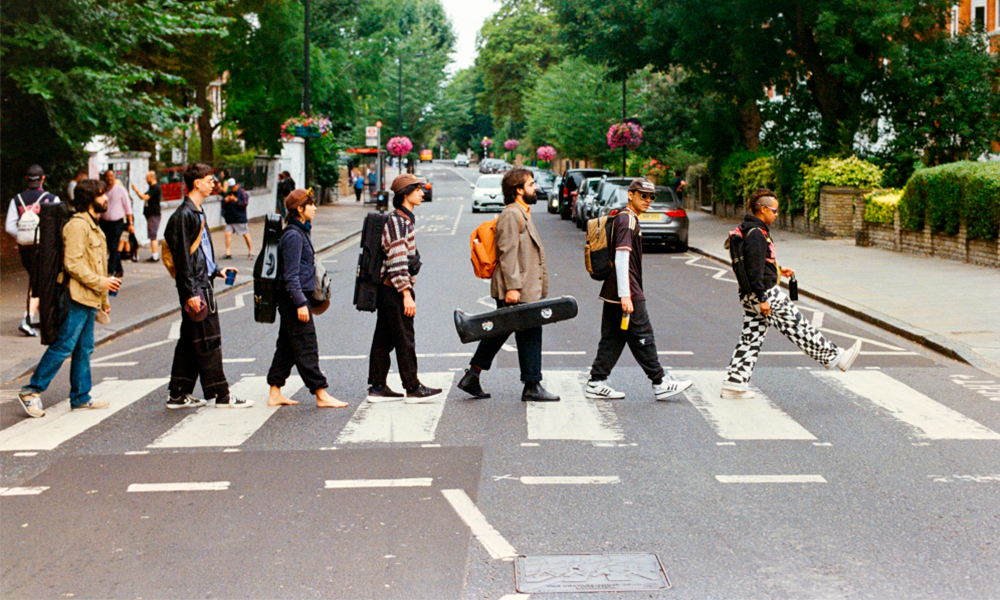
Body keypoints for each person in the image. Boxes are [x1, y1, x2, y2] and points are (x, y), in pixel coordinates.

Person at [722, 188, 862, 398]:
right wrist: (762, 298)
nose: (777, 215)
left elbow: (758, 263)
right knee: (798, 326)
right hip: (765, 293)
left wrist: (778, 270)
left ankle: (734, 383)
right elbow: (754, 269)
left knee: (750, 339)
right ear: (762, 209)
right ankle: (836, 357)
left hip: (748, 294)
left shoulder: (748, 229)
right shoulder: (756, 234)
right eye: (775, 211)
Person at [17, 179, 121, 418]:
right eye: (102, 195)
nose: (106, 198)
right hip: (76, 296)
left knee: (84, 348)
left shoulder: (93, 226)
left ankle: (81, 397)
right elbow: (72, 264)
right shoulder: (77, 226)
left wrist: (104, 297)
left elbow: (97, 265)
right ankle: (31, 391)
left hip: (90, 297)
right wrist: (101, 284)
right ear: (90, 198)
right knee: (64, 345)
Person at [584, 177, 693, 401]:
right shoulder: (628, 220)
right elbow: (621, 257)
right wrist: (627, 295)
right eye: (643, 196)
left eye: (651, 197)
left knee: (613, 338)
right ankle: (660, 382)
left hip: (614, 290)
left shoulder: (625, 217)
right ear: (630, 195)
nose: (648, 201)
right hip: (626, 289)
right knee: (643, 335)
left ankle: (596, 381)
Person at [456, 167, 560, 403]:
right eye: (531, 184)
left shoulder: (521, 213)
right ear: (518, 190)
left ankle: (473, 375)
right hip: (517, 289)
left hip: (521, 288)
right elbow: (507, 252)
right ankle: (532, 385)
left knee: (500, 330)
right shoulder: (512, 214)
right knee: (530, 333)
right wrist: (513, 287)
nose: (535, 187)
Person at [163, 163, 250, 409]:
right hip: (196, 289)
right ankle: (221, 394)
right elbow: (182, 258)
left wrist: (217, 270)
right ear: (196, 183)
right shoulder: (184, 215)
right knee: (209, 340)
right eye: (209, 179)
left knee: (190, 341)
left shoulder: (197, 212)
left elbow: (199, 253)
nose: (213, 183)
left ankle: (178, 393)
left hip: (203, 282)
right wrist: (190, 292)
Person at [266, 189, 348, 409]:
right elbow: (290, 275)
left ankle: (275, 391)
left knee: (287, 346)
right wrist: (301, 303)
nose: (315, 207)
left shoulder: (300, 232)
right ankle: (321, 393)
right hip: (294, 299)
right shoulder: (293, 235)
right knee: (306, 345)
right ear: (299, 209)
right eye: (310, 204)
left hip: (295, 297)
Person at [366, 173, 442, 402]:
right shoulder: (399, 222)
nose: (422, 193)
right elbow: (397, 260)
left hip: (388, 289)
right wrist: (406, 294)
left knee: (384, 339)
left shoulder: (401, 219)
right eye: (418, 189)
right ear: (406, 194)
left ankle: (377, 386)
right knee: (404, 338)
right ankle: (412, 387)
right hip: (395, 289)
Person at [5, 165, 61, 336]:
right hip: (46, 249)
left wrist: (24, 237)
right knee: (40, 283)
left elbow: (9, 227)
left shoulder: (17, 199)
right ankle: (28, 318)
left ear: (26, 179)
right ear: (43, 179)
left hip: (26, 249)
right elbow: (59, 226)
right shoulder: (52, 198)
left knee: (37, 280)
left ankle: (44, 318)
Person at [99, 169, 133, 277]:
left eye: (111, 176)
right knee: (110, 246)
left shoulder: (121, 190)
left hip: (117, 222)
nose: (109, 179)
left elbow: (127, 207)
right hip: (105, 223)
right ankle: (120, 269)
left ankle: (110, 270)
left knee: (114, 246)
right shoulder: (104, 191)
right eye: (107, 176)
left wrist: (130, 223)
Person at [132, 171, 162, 262]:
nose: (146, 180)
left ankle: (155, 256)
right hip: (151, 215)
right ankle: (154, 255)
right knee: (151, 234)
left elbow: (145, 197)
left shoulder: (155, 188)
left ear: (152, 177)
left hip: (154, 215)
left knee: (153, 235)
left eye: (147, 177)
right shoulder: (152, 188)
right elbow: (144, 196)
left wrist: (136, 190)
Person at [222, 178, 253, 259]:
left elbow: (244, 204)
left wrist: (235, 200)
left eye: (233, 187)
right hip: (230, 218)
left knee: (245, 234)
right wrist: (226, 201)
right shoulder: (228, 193)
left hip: (240, 218)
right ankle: (228, 253)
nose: (232, 189)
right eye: (231, 187)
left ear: (237, 185)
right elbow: (223, 204)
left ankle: (250, 251)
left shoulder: (242, 193)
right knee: (227, 233)